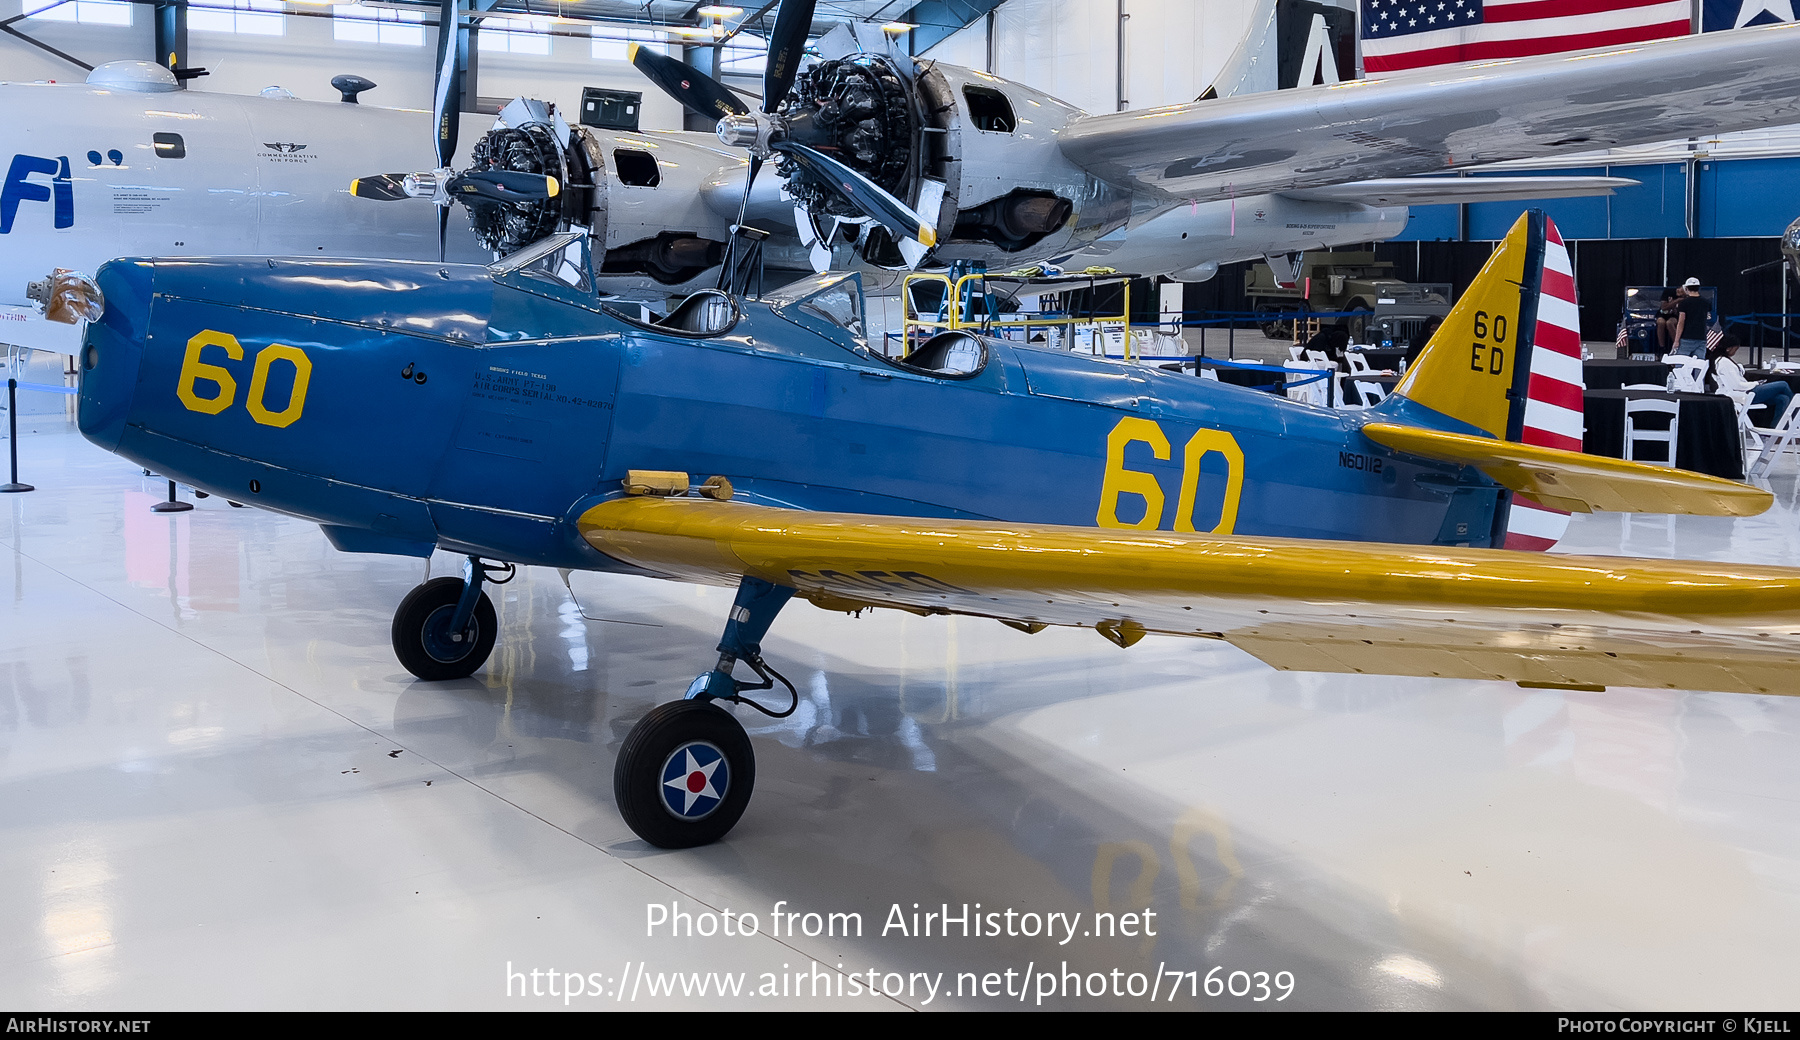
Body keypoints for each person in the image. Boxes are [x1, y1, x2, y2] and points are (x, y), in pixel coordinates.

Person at [1707, 334, 1793, 424]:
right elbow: (1737, 385)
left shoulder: (1721, 360)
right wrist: (1756, 383)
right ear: (1729, 348)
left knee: (1783, 399)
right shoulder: (1724, 362)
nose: (1735, 352)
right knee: (1783, 384)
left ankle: (1777, 432)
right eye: (1735, 349)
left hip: (1744, 391)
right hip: (1742, 394)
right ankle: (1797, 419)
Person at [1670, 277, 1711, 357]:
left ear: (1686, 288)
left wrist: (1676, 340)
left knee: (1682, 365)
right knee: (1699, 365)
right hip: (1701, 337)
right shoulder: (1706, 302)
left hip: (1686, 337)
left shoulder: (1684, 303)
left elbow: (1681, 322)